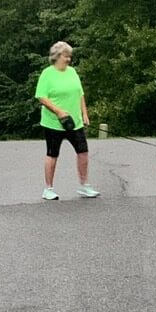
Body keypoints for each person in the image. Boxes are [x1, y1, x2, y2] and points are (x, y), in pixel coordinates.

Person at [35, 41, 100, 200]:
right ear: (57, 56)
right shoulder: (47, 74)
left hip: (74, 122)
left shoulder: (72, 72)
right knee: (52, 154)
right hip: (54, 123)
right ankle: (48, 189)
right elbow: (41, 97)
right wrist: (58, 111)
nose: (69, 59)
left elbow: (80, 94)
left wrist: (84, 113)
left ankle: (84, 185)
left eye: (70, 56)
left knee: (83, 152)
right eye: (66, 56)